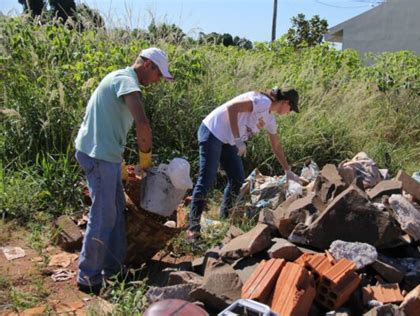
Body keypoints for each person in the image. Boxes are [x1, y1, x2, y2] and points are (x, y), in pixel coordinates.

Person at [74, 47, 173, 294]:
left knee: (117, 212)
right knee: (104, 214)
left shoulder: (121, 78)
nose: (158, 81)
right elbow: (142, 122)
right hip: (98, 156)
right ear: (149, 65)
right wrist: (145, 158)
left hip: (104, 155)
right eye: (159, 74)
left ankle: (115, 269)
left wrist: (119, 163)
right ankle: (88, 277)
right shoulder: (126, 80)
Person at [187, 87, 301, 242]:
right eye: (291, 108)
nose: (289, 112)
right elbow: (232, 108)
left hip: (228, 140)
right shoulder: (262, 102)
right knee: (207, 179)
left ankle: (224, 221)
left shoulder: (270, 119)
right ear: (286, 102)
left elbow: (276, 146)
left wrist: (287, 170)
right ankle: (192, 231)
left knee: (237, 179)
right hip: (213, 131)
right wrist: (238, 139)